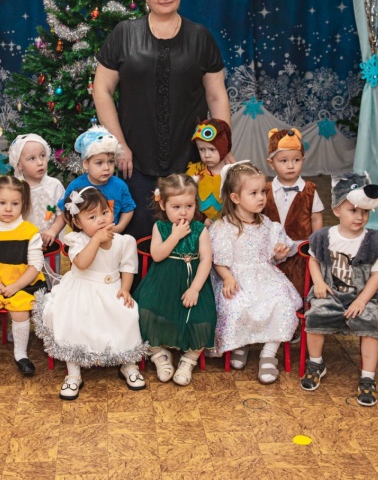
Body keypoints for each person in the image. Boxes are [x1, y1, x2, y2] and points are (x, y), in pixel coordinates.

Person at [93, 0, 232, 240]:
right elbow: (102, 91)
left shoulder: (200, 37)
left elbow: (216, 96)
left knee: (189, 238)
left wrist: (222, 145)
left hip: (191, 157)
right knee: (138, 238)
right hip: (134, 158)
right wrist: (119, 145)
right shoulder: (123, 34)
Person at [33, 187, 147, 400]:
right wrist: (95, 240)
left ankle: (128, 364)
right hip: (81, 289)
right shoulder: (77, 240)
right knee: (73, 321)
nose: (101, 219)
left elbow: (128, 268)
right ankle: (73, 373)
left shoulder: (125, 241)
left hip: (112, 288)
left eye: (105, 212)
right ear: (78, 222)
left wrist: (125, 289)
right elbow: (82, 264)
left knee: (128, 315)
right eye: (92, 217)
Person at [209, 161, 302, 384]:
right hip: (236, 277)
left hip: (264, 276)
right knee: (237, 305)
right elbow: (218, 260)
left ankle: (268, 354)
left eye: (262, 192)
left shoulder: (267, 224)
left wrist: (278, 253)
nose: (261, 197)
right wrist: (227, 277)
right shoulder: (224, 227)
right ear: (235, 198)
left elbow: (275, 254)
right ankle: (241, 343)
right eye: (253, 193)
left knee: (281, 303)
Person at [301, 172, 378, 407]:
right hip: (331, 292)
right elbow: (313, 260)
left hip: (361, 295)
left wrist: (362, 300)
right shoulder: (324, 237)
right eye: (353, 210)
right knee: (315, 314)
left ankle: (368, 378)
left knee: (369, 320)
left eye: (365, 212)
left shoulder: (373, 241)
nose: (359, 217)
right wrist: (319, 283)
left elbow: (377, 274)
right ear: (337, 210)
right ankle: (316, 363)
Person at [135, 174, 215, 386]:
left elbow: (206, 260)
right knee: (144, 312)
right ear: (163, 204)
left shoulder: (200, 229)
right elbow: (157, 255)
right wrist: (175, 236)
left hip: (191, 282)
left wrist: (195, 289)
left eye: (189, 206)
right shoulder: (160, 227)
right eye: (176, 207)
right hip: (162, 282)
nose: (183, 212)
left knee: (205, 317)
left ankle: (189, 359)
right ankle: (159, 355)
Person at [0, 176, 45, 376]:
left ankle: (21, 355)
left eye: (15, 204)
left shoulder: (30, 231)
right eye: (2, 203)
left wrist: (16, 286)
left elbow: (36, 265)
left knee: (20, 310)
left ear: (23, 204)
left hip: (23, 283)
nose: (8, 209)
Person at [263, 128, 324, 300]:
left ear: (303, 160)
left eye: (296, 160)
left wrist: (316, 243)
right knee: (273, 288)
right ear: (271, 163)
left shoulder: (309, 190)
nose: (290, 166)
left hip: (300, 251)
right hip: (273, 250)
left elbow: (316, 218)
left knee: (300, 285)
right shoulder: (265, 190)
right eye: (283, 161)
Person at [58, 125, 135, 234]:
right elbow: (65, 210)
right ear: (86, 164)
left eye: (111, 162)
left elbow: (128, 208)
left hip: (111, 235)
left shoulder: (119, 186)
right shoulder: (76, 186)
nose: (106, 168)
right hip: (83, 237)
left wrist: (119, 228)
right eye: (99, 163)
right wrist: (77, 229)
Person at [8, 133, 66, 247]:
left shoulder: (54, 185)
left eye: (42, 156)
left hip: (49, 243)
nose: (40, 162)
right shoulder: (15, 187)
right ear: (19, 165)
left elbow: (63, 213)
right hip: (22, 244)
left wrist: (53, 230)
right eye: (32, 158)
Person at [186, 118, 232, 225]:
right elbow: (186, 202)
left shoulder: (233, 174)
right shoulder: (193, 173)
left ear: (224, 147)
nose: (206, 155)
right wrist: (202, 220)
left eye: (212, 149)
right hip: (199, 227)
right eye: (202, 149)